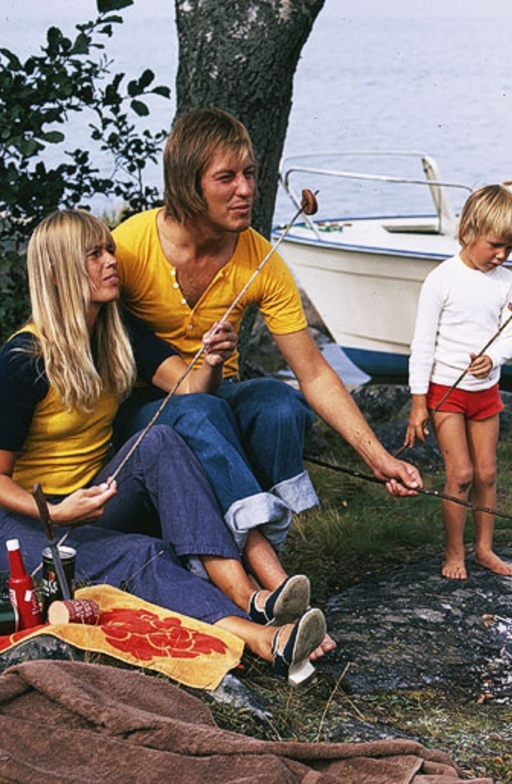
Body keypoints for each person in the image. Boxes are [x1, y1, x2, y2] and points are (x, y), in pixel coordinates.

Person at [110, 107, 422, 651]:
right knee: (199, 410)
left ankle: (256, 555)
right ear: (188, 184)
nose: (245, 190)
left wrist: (379, 457)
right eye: (226, 177)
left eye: (250, 174)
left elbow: (314, 372)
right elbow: (66, 316)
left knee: (279, 402)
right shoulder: (132, 245)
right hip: (145, 417)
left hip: (212, 398)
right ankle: (267, 577)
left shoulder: (258, 255)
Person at [0, 210, 325, 681]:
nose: (110, 262)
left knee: (160, 439)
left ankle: (251, 597)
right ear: (59, 271)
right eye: (94, 254)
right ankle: (261, 639)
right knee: (142, 552)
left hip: (92, 500)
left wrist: (213, 357)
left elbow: (188, 389)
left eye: (109, 250)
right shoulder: (24, 360)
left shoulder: (115, 328)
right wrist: (58, 513)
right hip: (25, 528)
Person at [403, 185, 512, 580]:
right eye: (495, 245)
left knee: (487, 473)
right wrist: (419, 402)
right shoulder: (442, 279)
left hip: (485, 393)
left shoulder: (506, 282)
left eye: (509, 247)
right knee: (460, 475)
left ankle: (484, 549)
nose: (502, 255)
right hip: (446, 393)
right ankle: (454, 552)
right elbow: (422, 344)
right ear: (467, 233)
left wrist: (494, 357)